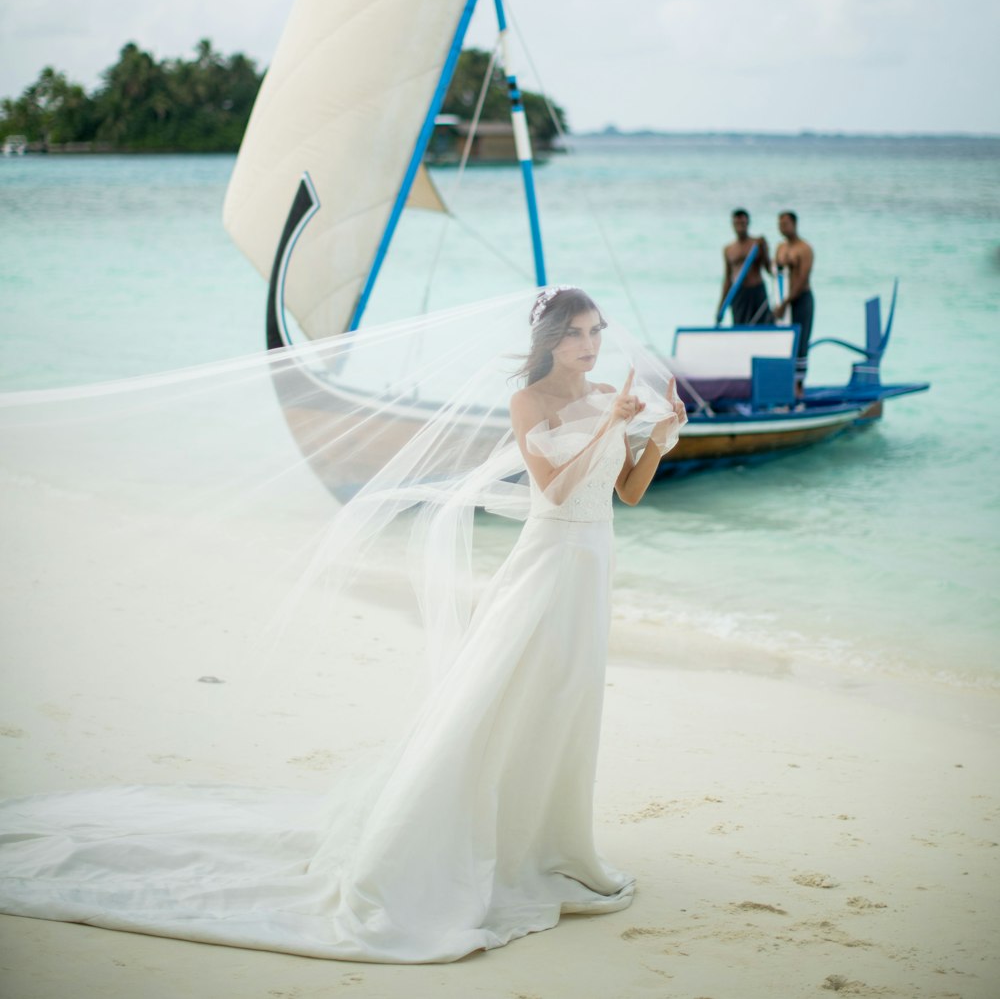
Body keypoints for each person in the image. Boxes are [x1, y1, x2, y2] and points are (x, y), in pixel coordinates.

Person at [0, 287, 686, 964]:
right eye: (576, 334)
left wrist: (653, 436)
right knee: (503, 694)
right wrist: (607, 425)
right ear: (550, 342)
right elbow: (555, 487)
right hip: (546, 562)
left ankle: (548, 843)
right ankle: (462, 839)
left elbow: (626, 491)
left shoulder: (606, 397)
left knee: (567, 704)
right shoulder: (528, 403)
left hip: (593, 564)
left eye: (596, 332)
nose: (590, 346)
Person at [774, 211, 815, 397]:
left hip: (801, 300)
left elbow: (802, 278)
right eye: (780, 224)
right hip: (783, 302)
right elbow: (776, 275)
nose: (782, 227)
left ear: (795, 224)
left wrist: (787, 302)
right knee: (783, 343)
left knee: (801, 343)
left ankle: (798, 387)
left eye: (786, 223)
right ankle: (783, 383)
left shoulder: (804, 248)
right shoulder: (780, 247)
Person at [718, 209, 773, 325]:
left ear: (748, 223)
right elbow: (727, 279)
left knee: (763, 323)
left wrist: (765, 250)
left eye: (743, 223)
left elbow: (769, 269)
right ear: (733, 225)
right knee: (739, 325)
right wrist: (721, 305)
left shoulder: (757, 243)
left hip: (756, 290)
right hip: (739, 293)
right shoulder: (728, 249)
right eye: (737, 223)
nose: (740, 227)